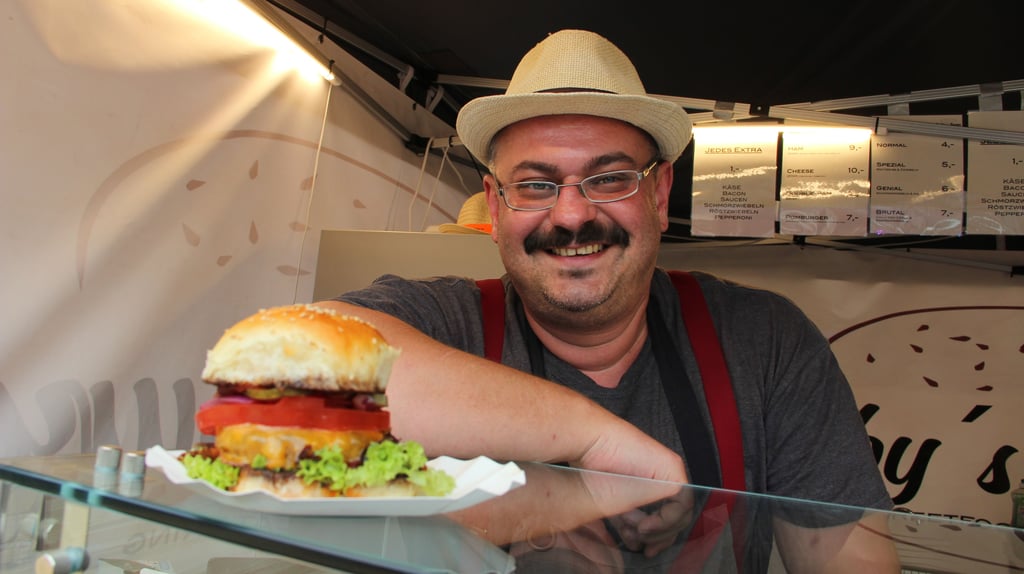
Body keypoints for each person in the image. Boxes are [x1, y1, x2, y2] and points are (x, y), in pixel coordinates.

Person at [316, 29, 897, 571]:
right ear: (494, 207)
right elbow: (292, 365)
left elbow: (852, 559)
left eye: (611, 178)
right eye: (535, 185)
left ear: (660, 194)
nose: (572, 216)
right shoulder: (445, 322)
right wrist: (585, 455)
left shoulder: (765, 341)